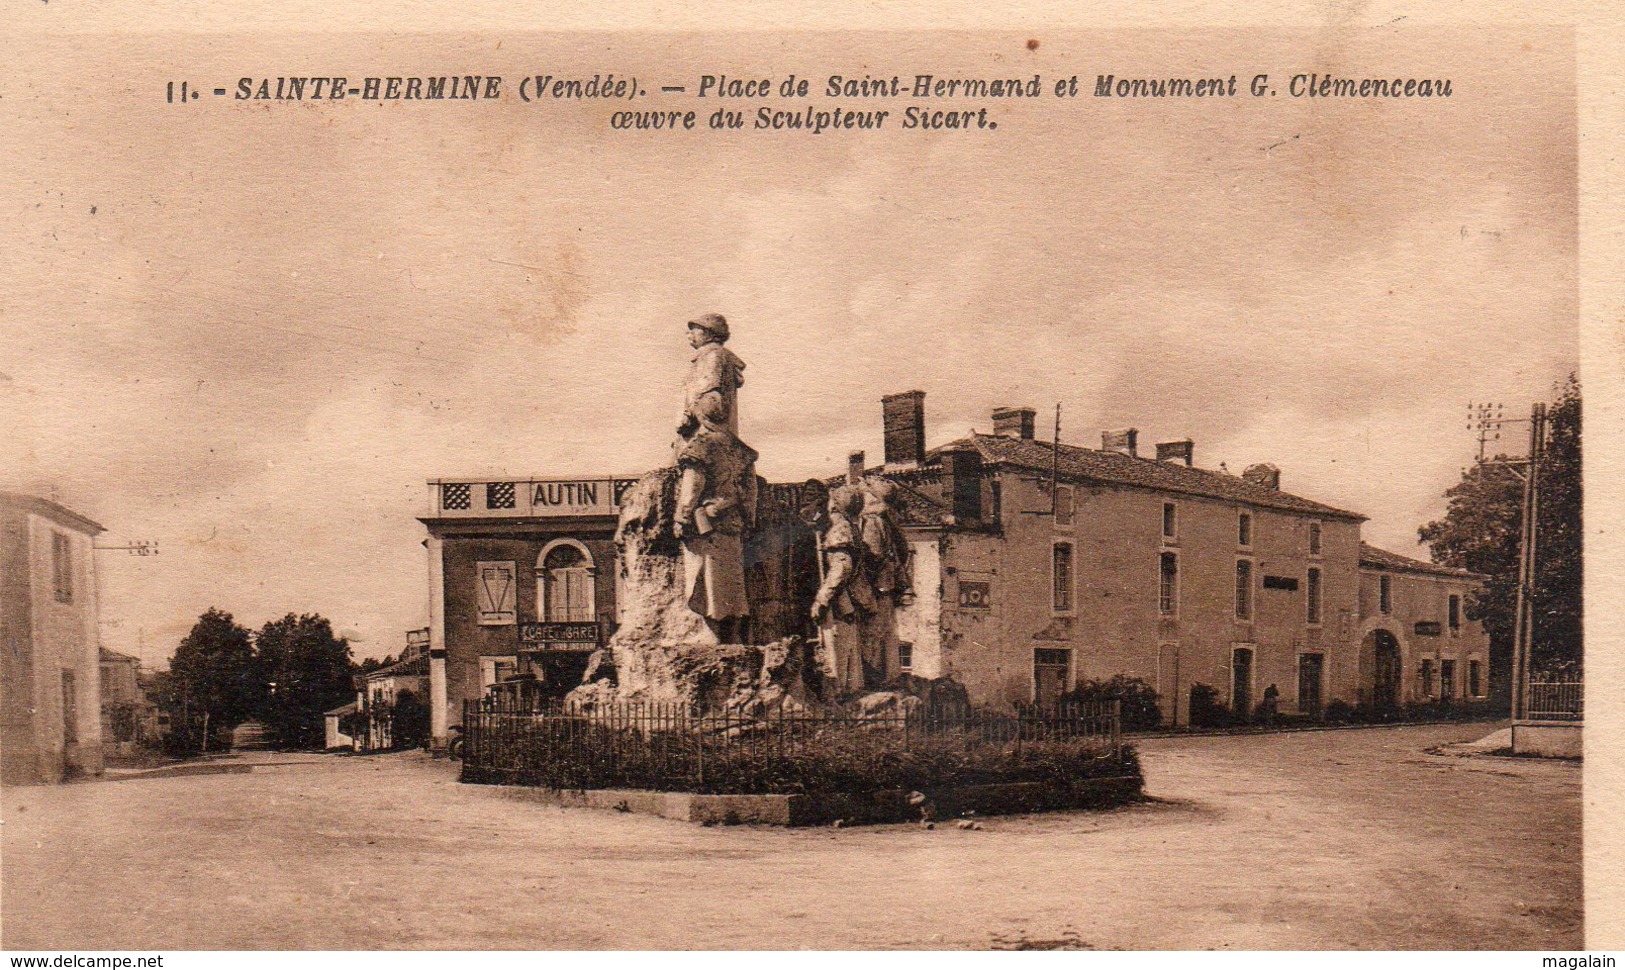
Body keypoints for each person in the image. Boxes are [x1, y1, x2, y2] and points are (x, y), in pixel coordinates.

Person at [673, 313, 756, 642]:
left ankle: (712, 634)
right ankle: (732, 634)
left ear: (707, 332)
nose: (688, 334)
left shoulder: (712, 359)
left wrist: (682, 516)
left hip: (708, 520)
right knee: (731, 578)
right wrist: (746, 515)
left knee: (708, 577)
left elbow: (692, 484)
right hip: (733, 521)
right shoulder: (740, 450)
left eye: (692, 328)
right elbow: (749, 491)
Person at [811, 485, 872, 694]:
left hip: (839, 600)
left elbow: (841, 567)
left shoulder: (839, 530)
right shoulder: (852, 528)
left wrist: (822, 598)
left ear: (835, 505)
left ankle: (838, 697)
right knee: (849, 656)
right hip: (851, 600)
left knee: (837, 654)